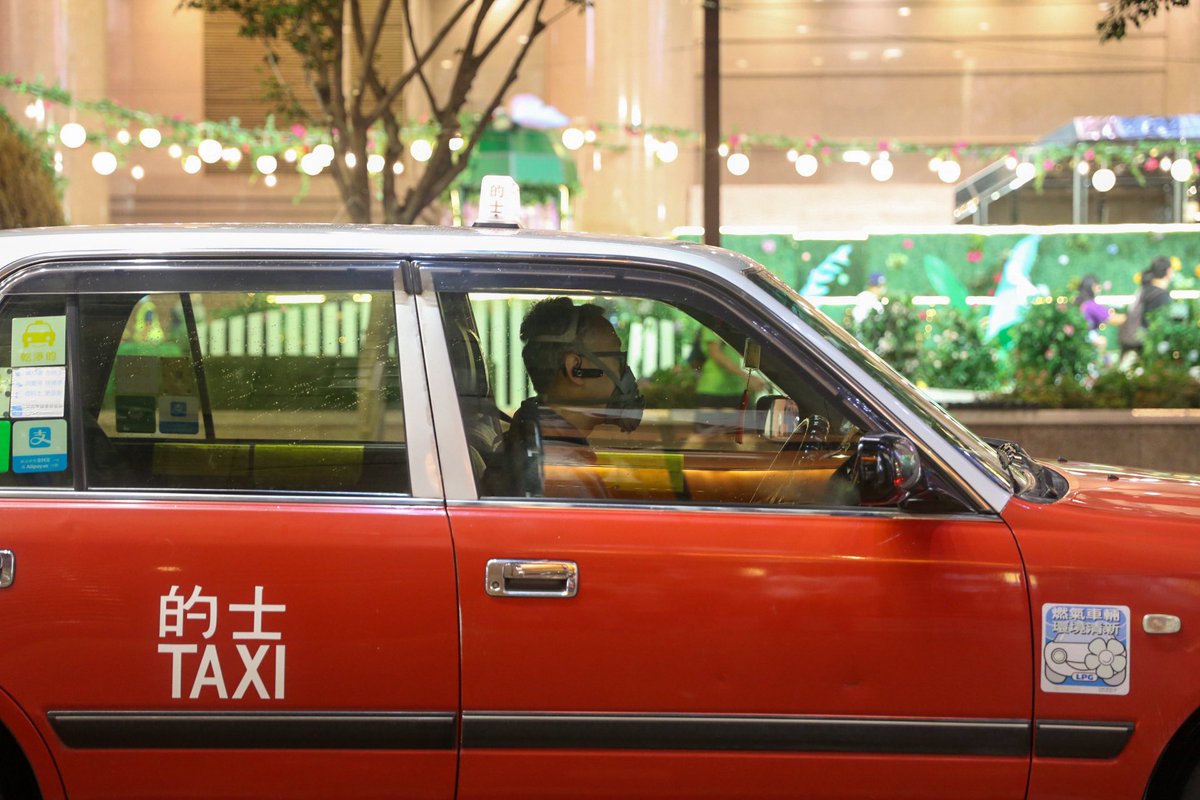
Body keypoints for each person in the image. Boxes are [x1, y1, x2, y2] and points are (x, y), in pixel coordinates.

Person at [486, 297, 643, 498]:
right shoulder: (562, 473)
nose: (625, 371)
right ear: (576, 368)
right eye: (615, 357)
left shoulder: (540, 438)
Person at [1118, 256, 1172, 359]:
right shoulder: (1161, 295)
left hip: (1134, 342)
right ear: (1168, 272)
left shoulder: (1143, 289)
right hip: (1148, 348)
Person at [1074, 274, 1124, 350]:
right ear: (1093, 287)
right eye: (1097, 286)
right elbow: (1114, 319)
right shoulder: (1090, 305)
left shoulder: (1078, 304)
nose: (1099, 289)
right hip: (1087, 347)